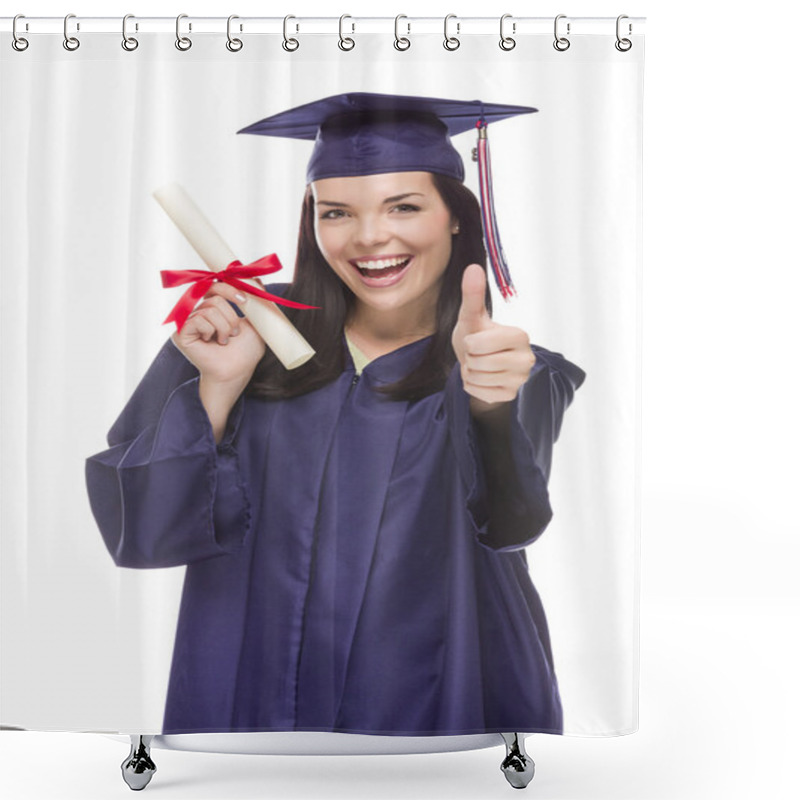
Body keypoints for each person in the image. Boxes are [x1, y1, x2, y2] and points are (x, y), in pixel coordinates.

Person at [86, 93, 586, 737]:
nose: (370, 236)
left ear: (458, 218)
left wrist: (490, 410)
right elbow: (145, 530)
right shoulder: (244, 335)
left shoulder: (508, 365)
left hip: (440, 674)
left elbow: (513, 524)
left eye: (404, 206)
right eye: (337, 212)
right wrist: (217, 389)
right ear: (311, 221)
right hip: (254, 671)